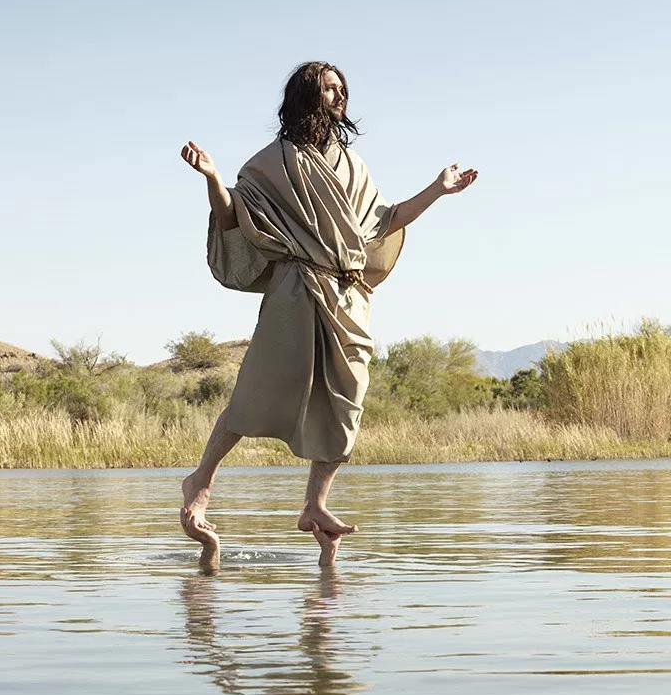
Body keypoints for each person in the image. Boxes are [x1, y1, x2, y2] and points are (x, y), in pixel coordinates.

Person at [178, 60, 477, 555]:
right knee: (260, 389)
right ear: (305, 97)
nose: (340, 97)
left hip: (349, 295)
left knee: (348, 399)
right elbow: (234, 216)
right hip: (296, 290)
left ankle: (315, 504)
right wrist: (211, 177)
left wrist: (437, 190)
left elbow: (386, 220)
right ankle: (200, 482)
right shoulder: (269, 164)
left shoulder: (353, 165)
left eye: (343, 89)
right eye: (329, 89)